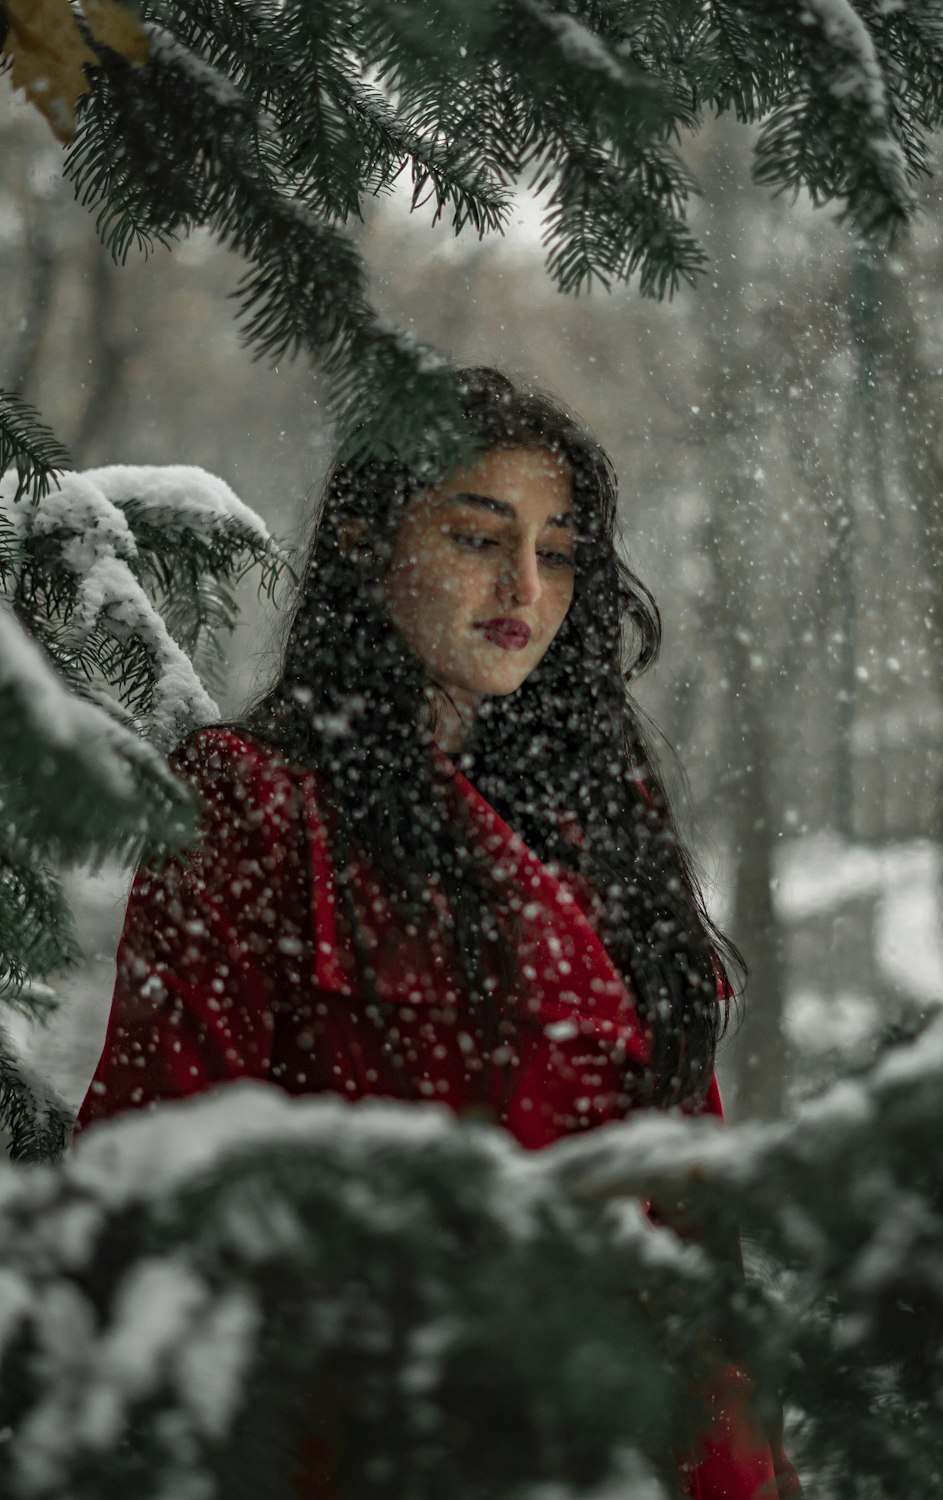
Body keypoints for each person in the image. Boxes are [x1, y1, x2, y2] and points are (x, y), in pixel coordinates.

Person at [78, 366, 798, 1498]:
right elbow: (154, 1182)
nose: (524, 584)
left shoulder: (607, 835)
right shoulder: (255, 804)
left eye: (558, 553)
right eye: (477, 537)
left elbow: (691, 1249)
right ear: (367, 543)